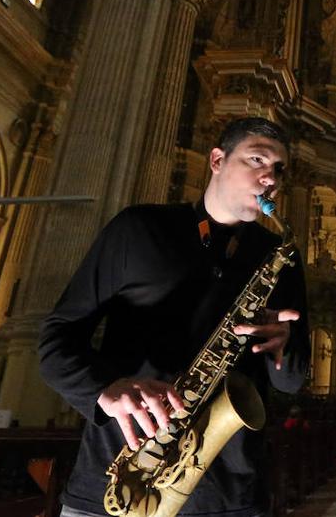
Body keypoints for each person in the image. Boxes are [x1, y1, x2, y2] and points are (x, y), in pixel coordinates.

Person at [39, 116, 309, 517]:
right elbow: (57, 338)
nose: (270, 177)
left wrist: (284, 348)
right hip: (117, 480)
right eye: (257, 160)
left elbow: (291, 382)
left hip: (225, 493)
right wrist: (102, 389)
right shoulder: (138, 228)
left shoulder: (279, 255)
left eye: (278, 170)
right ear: (217, 160)